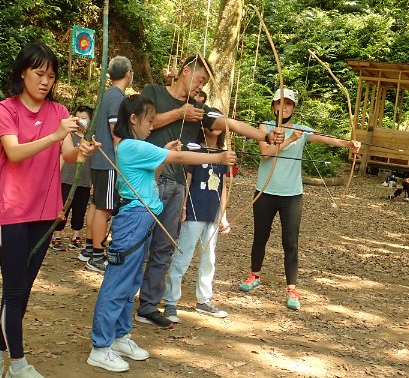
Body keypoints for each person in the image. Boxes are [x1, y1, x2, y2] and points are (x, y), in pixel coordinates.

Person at [87, 94, 236, 372]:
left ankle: (120, 336)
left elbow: (151, 178)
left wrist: (164, 157)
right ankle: (100, 346)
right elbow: (179, 155)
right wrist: (218, 156)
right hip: (132, 219)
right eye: (149, 121)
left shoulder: (137, 146)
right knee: (117, 283)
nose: (151, 126)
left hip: (143, 218)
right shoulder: (131, 146)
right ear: (133, 120)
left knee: (130, 283)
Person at [135, 54, 284, 328]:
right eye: (199, 78)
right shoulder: (153, 92)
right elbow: (144, 124)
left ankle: (148, 305)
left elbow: (231, 123)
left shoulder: (199, 110)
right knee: (136, 244)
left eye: (205, 81)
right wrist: (179, 114)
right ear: (185, 71)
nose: (200, 85)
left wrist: (265, 136)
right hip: (147, 181)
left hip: (177, 184)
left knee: (164, 248)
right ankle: (124, 299)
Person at [0, 43, 97, 378]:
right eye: (39, 73)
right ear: (22, 73)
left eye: (51, 75)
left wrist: (81, 150)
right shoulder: (6, 108)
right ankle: (18, 364)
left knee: (23, 288)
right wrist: (56, 134)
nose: (46, 81)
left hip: (45, 211)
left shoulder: (59, 111)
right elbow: (14, 153)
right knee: (14, 289)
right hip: (13, 210)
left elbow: (69, 155)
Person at [238, 88, 360, 310]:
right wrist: (289, 140)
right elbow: (266, 153)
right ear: (273, 105)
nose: (284, 108)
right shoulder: (265, 127)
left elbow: (325, 138)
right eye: (280, 103)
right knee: (260, 236)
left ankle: (292, 289)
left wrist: (347, 143)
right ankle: (254, 275)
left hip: (292, 195)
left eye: (289, 104)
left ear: (293, 108)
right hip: (265, 191)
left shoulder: (301, 130)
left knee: (291, 243)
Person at [163, 109, 230, 323]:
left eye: (221, 121)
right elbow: (188, 180)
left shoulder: (223, 153)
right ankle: (171, 301)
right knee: (183, 256)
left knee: (209, 257)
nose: (217, 125)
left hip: (212, 214)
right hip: (194, 211)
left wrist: (224, 215)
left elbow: (223, 186)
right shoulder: (195, 150)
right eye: (213, 121)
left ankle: (204, 300)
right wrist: (183, 208)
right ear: (204, 126)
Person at [78, 56, 133, 273]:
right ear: (128, 74)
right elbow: (115, 132)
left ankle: (90, 249)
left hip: (98, 159)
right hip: (109, 160)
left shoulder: (105, 95)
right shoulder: (118, 98)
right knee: (105, 207)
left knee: (97, 204)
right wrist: (122, 161)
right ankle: (98, 256)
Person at [51, 105, 94, 251]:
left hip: (84, 182)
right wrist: (55, 176)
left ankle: (75, 236)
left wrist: (93, 182)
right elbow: (62, 157)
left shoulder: (92, 139)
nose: (81, 121)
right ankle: (56, 235)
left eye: (84, 118)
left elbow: (94, 162)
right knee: (63, 209)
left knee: (80, 210)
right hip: (66, 179)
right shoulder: (69, 136)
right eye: (78, 118)